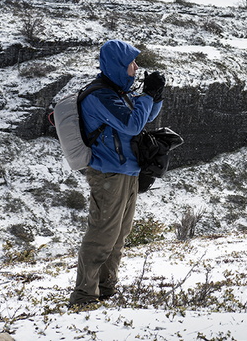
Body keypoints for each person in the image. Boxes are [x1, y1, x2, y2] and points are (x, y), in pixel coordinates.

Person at [69, 39, 165, 307]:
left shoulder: (118, 93)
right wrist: (146, 96)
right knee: (102, 235)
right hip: (108, 174)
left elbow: (145, 117)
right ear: (118, 66)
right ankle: (84, 296)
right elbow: (133, 125)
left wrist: (154, 96)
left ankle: (105, 288)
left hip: (127, 173)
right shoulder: (100, 96)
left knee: (119, 235)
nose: (136, 68)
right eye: (132, 63)